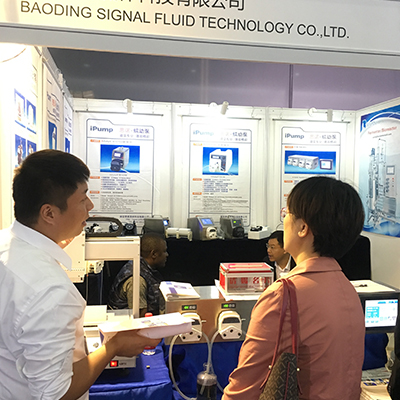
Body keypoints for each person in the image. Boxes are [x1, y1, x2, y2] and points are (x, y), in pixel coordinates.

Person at [0, 149, 159, 400]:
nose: (90, 206)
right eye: (83, 198)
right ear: (49, 213)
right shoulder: (50, 291)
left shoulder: (6, 245)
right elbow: (56, 394)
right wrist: (113, 347)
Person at [223, 176, 366, 400]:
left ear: (303, 227)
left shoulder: (284, 294)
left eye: (287, 213)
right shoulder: (348, 289)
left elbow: (244, 387)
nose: (284, 220)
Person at [108, 233, 168, 316]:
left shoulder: (143, 267)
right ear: (154, 254)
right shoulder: (137, 279)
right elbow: (140, 316)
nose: (167, 255)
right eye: (164, 251)